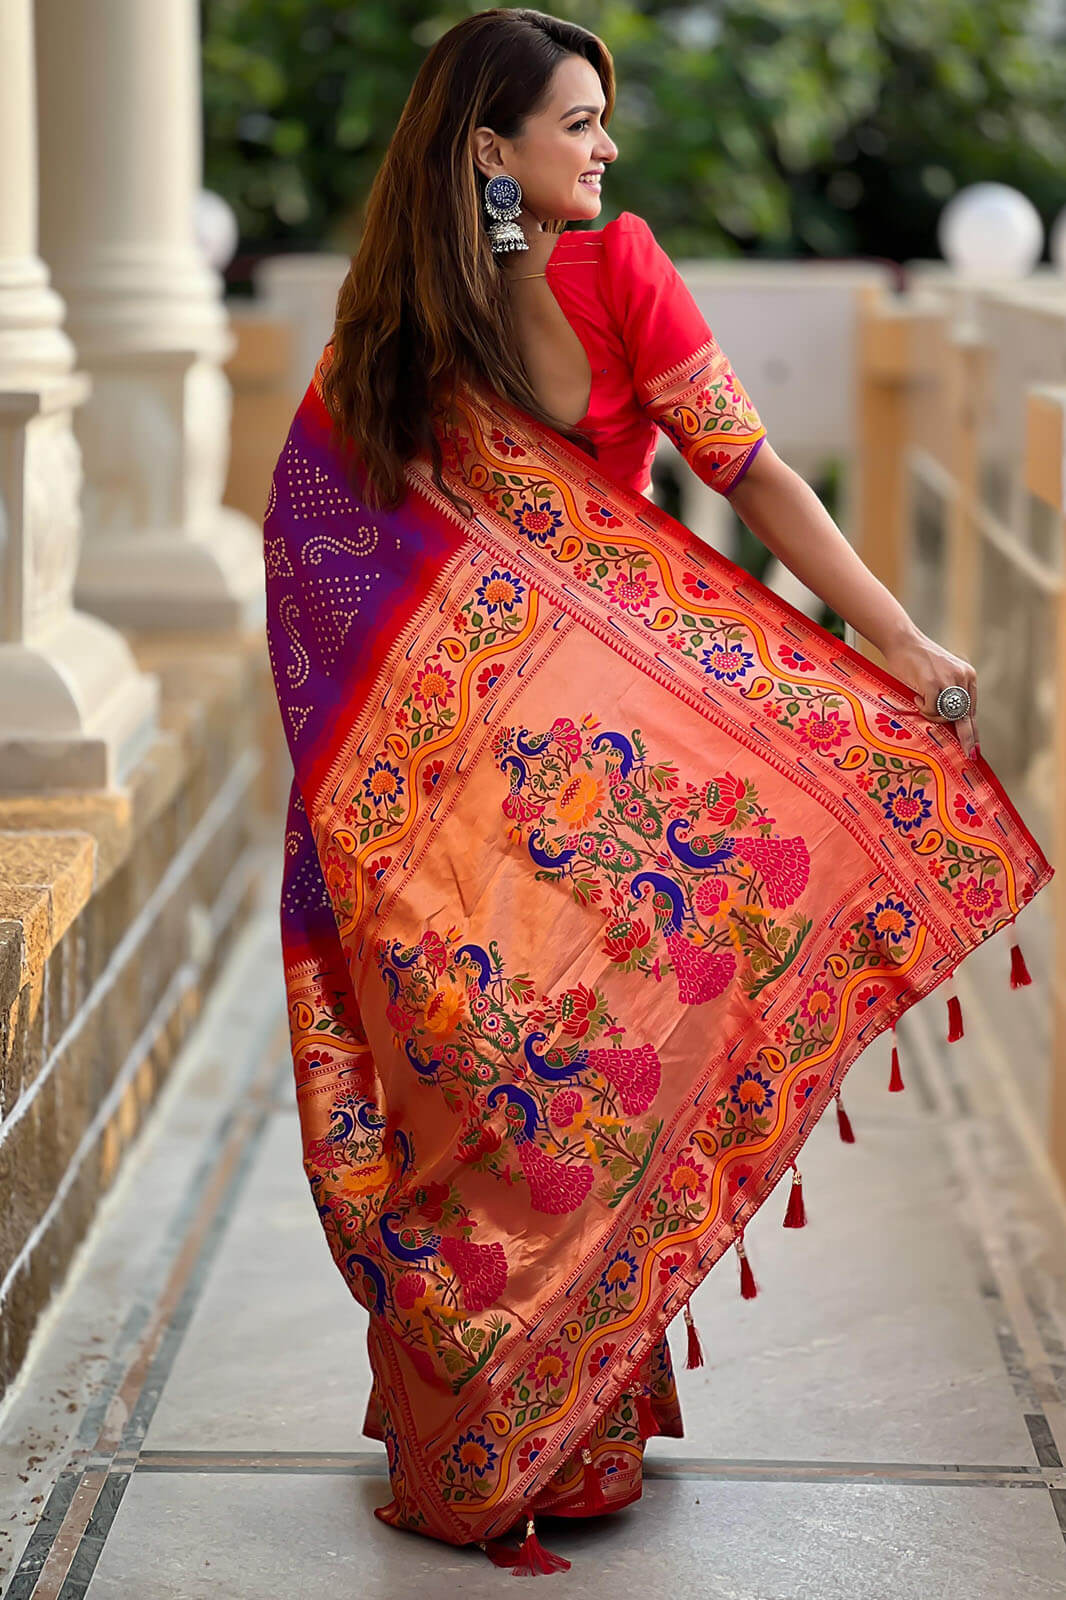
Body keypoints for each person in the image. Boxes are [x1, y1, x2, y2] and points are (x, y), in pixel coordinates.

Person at [262, 7, 1053, 1577]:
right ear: (490, 151)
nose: (606, 147)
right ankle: (545, 1434)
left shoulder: (417, 316)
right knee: (561, 1084)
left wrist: (888, 641)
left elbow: (314, 574)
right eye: (578, 122)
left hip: (532, 789)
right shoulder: (516, 296)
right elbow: (742, 471)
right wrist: (890, 638)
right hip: (531, 790)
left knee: (514, 1092)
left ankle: (518, 1431)